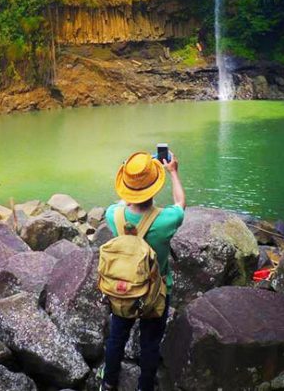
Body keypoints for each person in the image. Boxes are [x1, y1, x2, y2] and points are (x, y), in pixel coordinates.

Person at [100, 150, 186, 391]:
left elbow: (120, 203)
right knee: (150, 343)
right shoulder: (166, 220)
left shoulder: (112, 215)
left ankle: (108, 383)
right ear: (155, 188)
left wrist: (131, 186)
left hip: (122, 289)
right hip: (155, 294)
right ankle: (144, 387)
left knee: (116, 338)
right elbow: (181, 203)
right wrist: (174, 173)